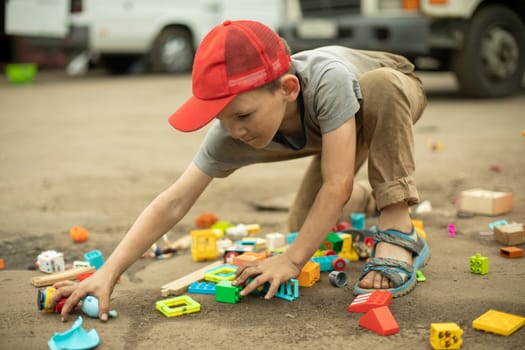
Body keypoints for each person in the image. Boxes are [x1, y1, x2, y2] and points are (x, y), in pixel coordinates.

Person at [50, 19, 430, 322]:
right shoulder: (232, 133)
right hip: (335, 133)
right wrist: (109, 272)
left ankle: (397, 223)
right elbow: (173, 201)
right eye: (223, 119)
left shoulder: (325, 80)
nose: (236, 131)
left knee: (379, 88)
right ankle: (371, 200)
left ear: (287, 88)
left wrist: (293, 260)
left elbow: (336, 183)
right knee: (303, 227)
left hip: (388, 96)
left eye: (244, 115)